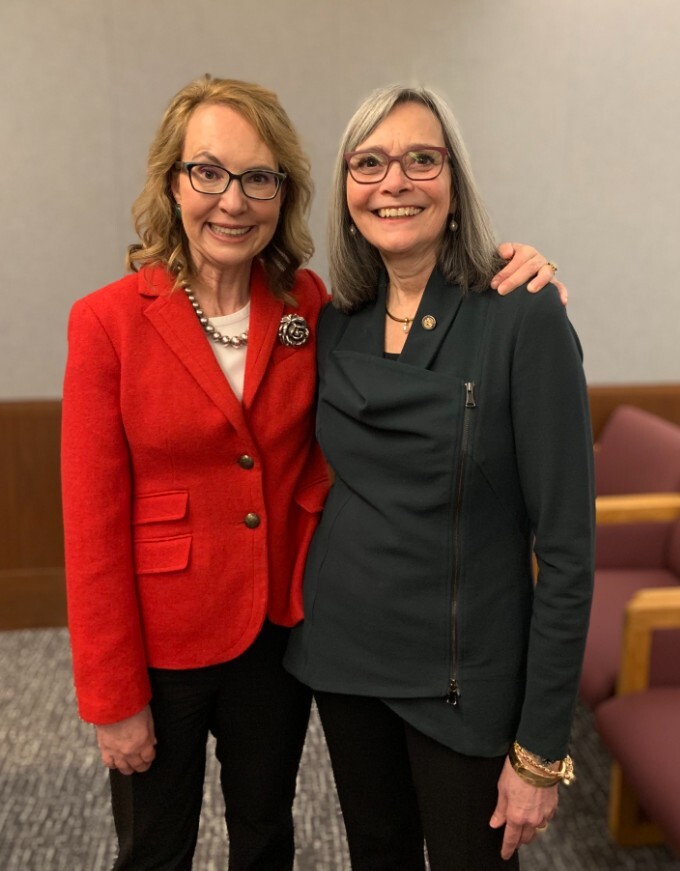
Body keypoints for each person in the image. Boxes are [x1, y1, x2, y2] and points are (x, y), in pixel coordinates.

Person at [61, 74, 564, 870]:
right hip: (164, 642)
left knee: (267, 834)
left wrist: (520, 264)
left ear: (283, 192)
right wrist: (111, 694)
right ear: (171, 182)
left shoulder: (308, 306)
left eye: (258, 177)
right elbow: (88, 527)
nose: (232, 199)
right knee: (154, 848)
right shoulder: (109, 321)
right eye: (208, 173)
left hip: (280, 633)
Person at [285, 85, 594, 871]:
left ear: (454, 183)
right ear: (347, 187)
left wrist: (540, 748)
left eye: (421, 159)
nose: (395, 181)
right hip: (346, 658)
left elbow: (566, 549)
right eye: (370, 162)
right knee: (377, 856)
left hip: (465, 678)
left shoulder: (522, 315)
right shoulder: (336, 316)